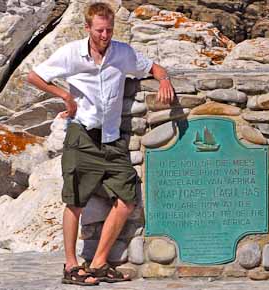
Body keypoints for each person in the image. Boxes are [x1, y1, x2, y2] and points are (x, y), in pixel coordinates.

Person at [26, 2, 174, 286]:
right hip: (82, 136)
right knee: (75, 202)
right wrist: (65, 96)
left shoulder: (122, 53)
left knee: (127, 199)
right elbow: (35, 76)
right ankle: (71, 267)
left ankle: (98, 263)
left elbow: (153, 67)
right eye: (100, 30)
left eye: (109, 29)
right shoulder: (72, 53)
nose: (105, 35)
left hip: (112, 138)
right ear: (87, 28)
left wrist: (164, 79)